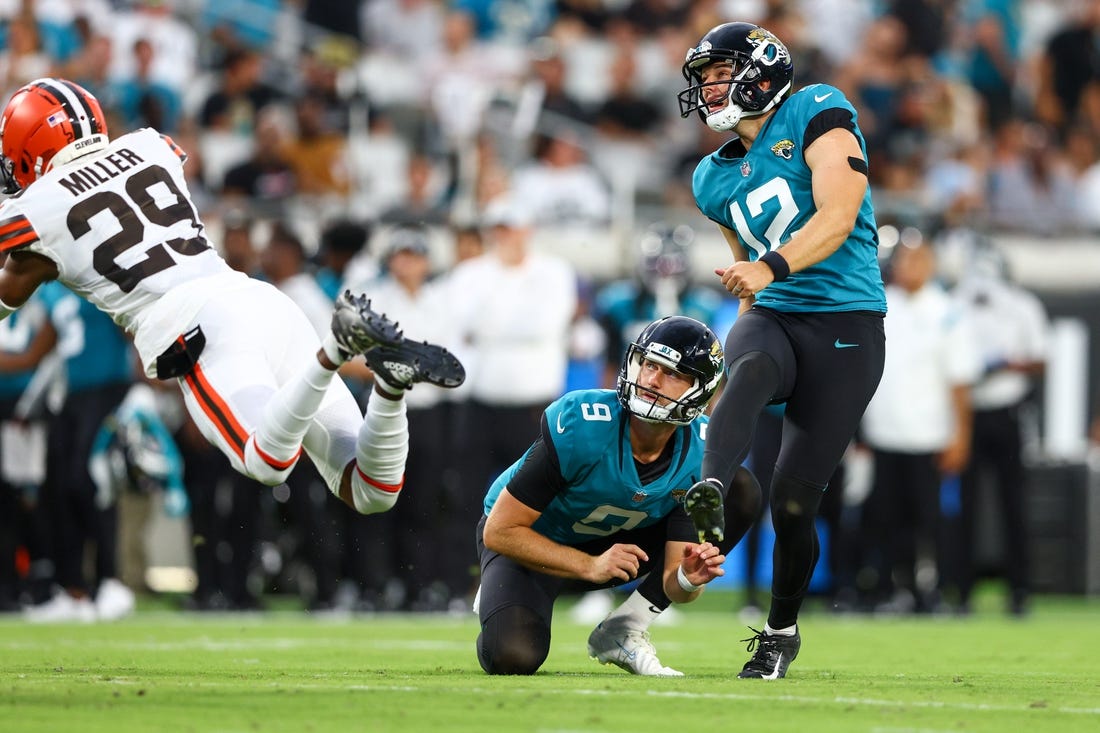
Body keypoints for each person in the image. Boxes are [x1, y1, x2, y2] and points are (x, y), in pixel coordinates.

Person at [0, 78, 465, 526]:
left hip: (195, 325)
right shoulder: (147, 145)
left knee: (266, 461)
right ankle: (389, 386)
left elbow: (16, 281)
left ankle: (335, 352)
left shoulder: (38, 208)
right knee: (371, 491)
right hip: (260, 301)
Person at [676, 22, 887, 678]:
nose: (708, 88)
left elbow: (840, 210)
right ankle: (708, 487)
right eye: (703, 78)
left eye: (718, 73)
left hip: (845, 324)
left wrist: (770, 268)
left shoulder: (817, 108)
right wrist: (749, 309)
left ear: (761, 71)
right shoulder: (710, 177)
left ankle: (780, 628)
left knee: (793, 503)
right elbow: (744, 278)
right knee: (749, 363)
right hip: (773, 315)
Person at [476, 316, 751, 676]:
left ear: (700, 389)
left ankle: (625, 628)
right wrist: (588, 565)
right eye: (649, 364)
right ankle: (503, 591)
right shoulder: (584, 423)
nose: (651, 380)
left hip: (616, 549)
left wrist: (686, 578)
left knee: (739, 490)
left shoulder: (700, 450)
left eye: (671, 372)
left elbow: (674, 579)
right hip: (531, 546)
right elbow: (498, 531)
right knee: (512, 656)